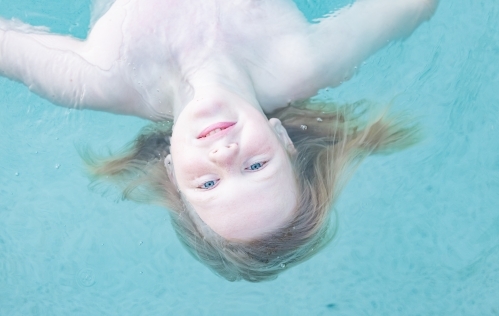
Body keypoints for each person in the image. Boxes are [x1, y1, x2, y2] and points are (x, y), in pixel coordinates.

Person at [0, 0, 438, 281]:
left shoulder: (96, 82)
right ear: (282, 139)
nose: (225, 155)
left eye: (208, 184)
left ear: (172, 169)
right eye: (256, 166)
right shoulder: (303, 64)